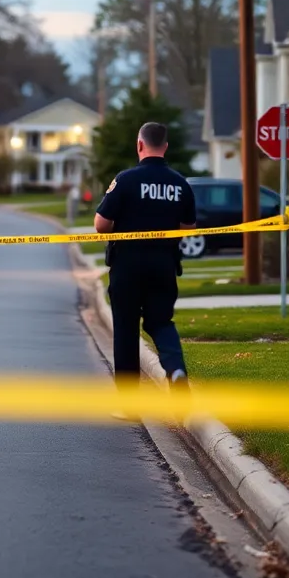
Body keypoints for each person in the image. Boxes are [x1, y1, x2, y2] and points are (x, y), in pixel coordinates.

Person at [94, 121, 196, 405]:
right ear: (165, 147)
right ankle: (176, 372)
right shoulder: (180, 183)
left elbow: (101, 225)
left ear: (140, 145)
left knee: (126, 330)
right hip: (163, 265)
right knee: (161, 322)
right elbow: (188, 228)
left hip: (127, 266)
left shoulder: (125, 180)